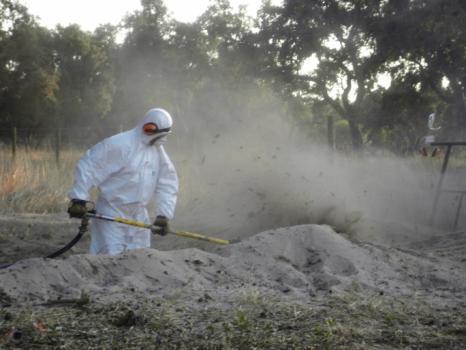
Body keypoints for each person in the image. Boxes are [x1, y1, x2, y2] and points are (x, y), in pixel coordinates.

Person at [67, 108, 179, 255]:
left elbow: (167, 182)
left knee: (140, 260)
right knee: (110, 259)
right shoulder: (121, 144)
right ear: (147, 127)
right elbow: (90, 165)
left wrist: (163, 215)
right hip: (112, 213)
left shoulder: (157, 151)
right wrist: (78, 198)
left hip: (139, 216)